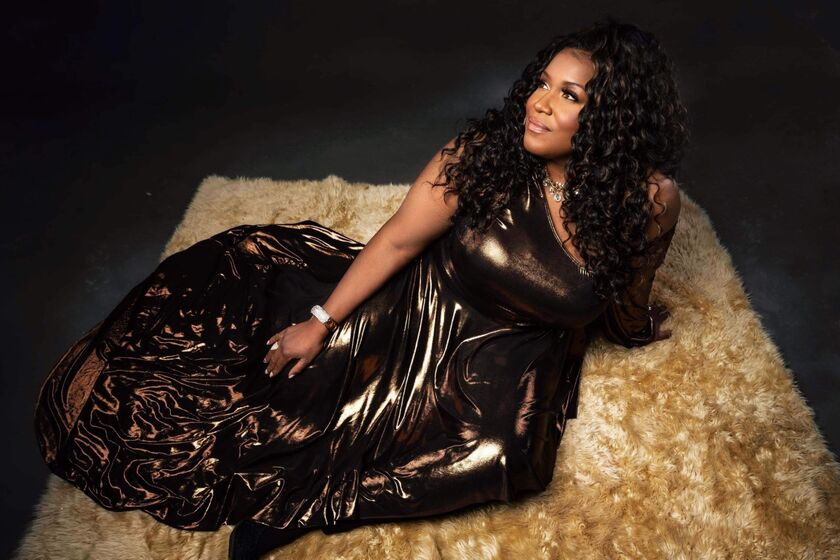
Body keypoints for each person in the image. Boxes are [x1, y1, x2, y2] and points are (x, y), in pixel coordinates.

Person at [33, 17, 687, 560]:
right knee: (288, 395)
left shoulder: (650, 200)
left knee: (504, 459)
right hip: (416, 303)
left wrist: (634, 327)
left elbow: (629, 285)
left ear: (614, 120)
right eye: (542, 83)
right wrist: (321, 319)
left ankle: (318, 502)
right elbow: (400, 239)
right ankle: (295, 493)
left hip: (513, 348)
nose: (539, 103)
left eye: (570, 96)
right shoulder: (484, 155)